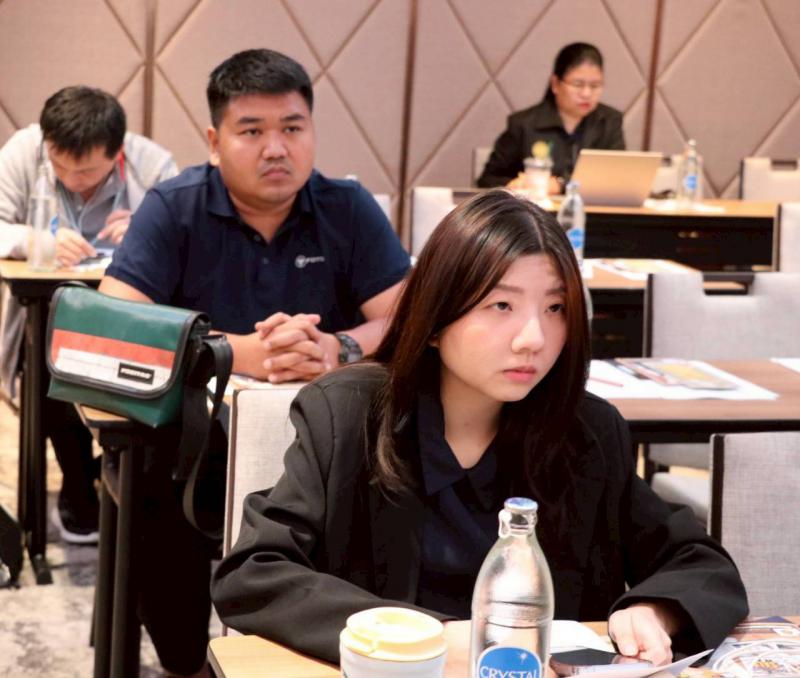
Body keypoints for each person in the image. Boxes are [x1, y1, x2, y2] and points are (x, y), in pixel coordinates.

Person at [211, 190, 748, 677]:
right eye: (501, 306)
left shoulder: (586, 431)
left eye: (555, 308)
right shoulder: (348, 414)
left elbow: (699, 563)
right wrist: (425, 640)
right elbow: (255, 573)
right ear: (436, 318)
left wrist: (656, 609)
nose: (533, 338)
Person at [98, 48, 410, 677]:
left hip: (325, 444)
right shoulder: (175, 206)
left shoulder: (347, 207)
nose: (276, 148)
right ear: (215, 142)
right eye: (251, 131)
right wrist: (237, 352)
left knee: (392, 475)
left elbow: (407, 315)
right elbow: (114, 324)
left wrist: (338, 347)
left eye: (292, 128)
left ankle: (335, 653)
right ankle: (186, 661)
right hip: (192, 448)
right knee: (153, 483)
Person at [0, 86, 177, 543]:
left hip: (131, 316)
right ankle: (79, 489)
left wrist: (147, 230)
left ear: (117, 153)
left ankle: (113, 481)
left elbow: (186, 241)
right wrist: (34, 241)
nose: (71, 179)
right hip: (46, 310)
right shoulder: (24, 150)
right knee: (49, 368)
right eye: (59, 167)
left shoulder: (153, 164)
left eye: (86, 172)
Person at [478, 42, 625, 191]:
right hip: (535, 205)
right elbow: (487, 180)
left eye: (595, 86)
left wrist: (560, 185)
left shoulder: (610, 122)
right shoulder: (523, 124)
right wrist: (515, 184)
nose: (586, 94)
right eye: (578, 84)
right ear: (555, 84)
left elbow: (619, 179)